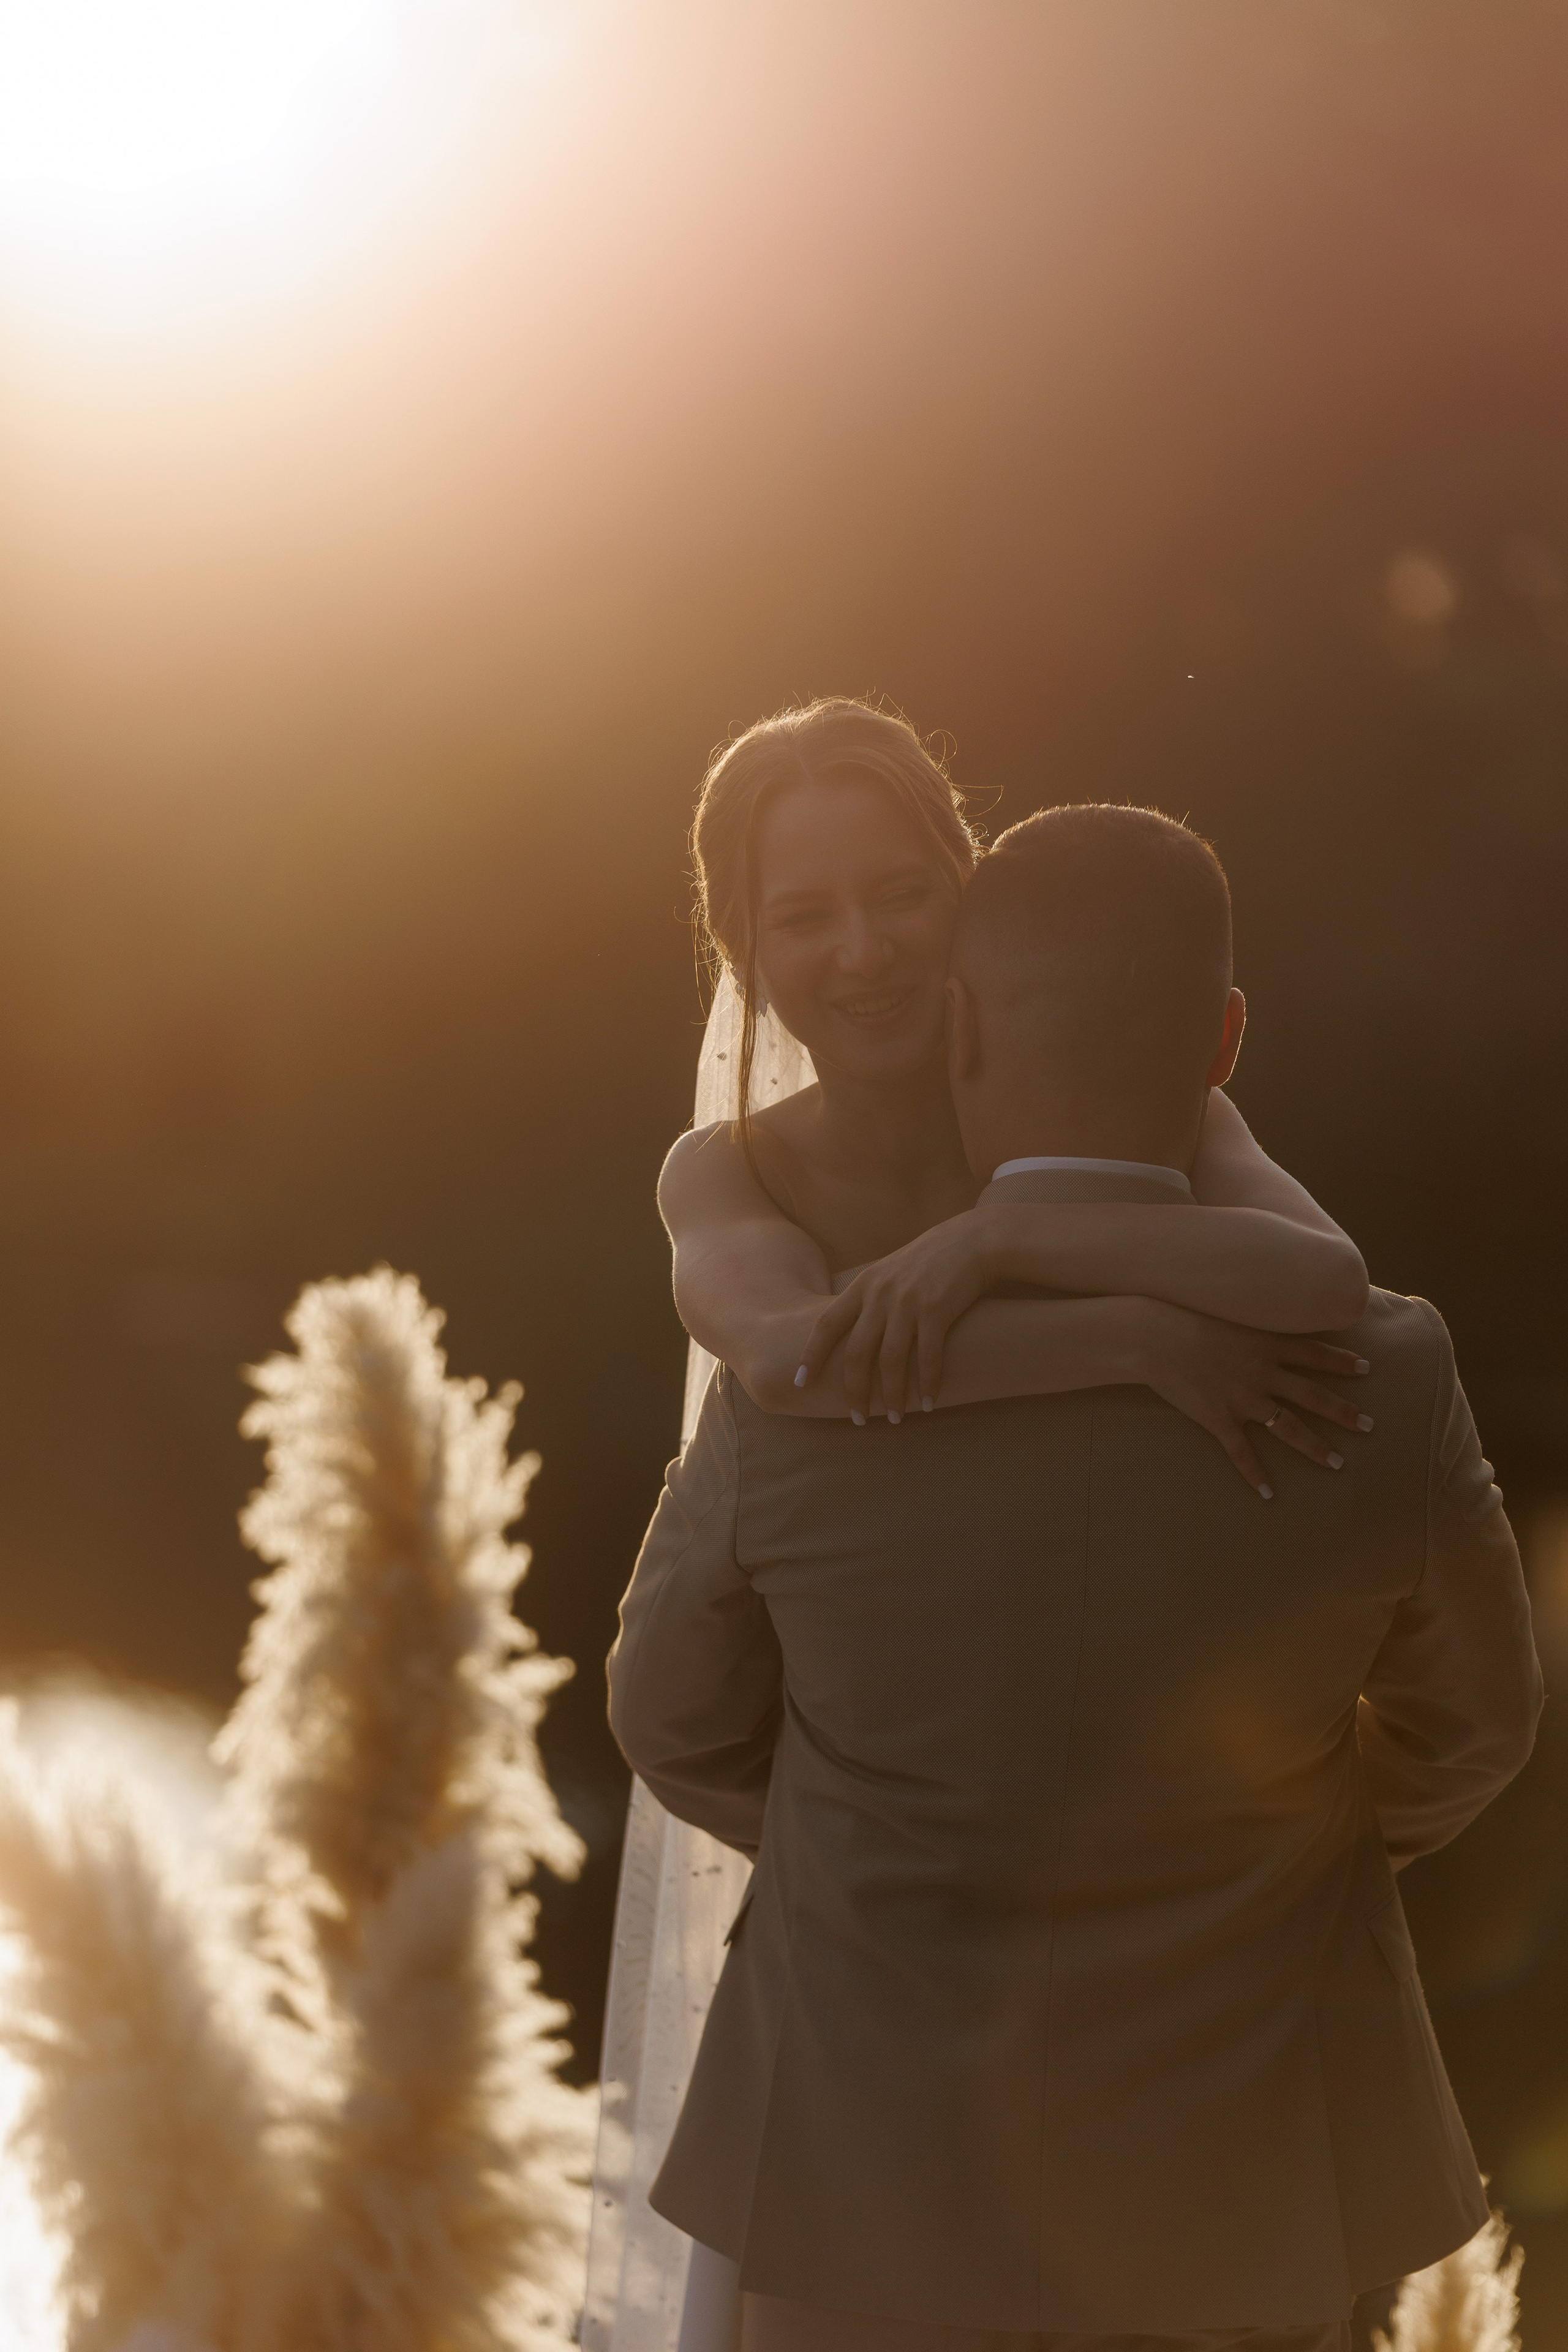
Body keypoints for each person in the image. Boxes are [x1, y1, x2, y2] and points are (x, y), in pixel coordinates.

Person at [607, 801, 1542, 2352]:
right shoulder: (1385, 1372)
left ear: (959, 1019)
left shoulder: (811, 1390)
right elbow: (1476, 1728)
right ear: (1224, 1037)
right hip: (1241, 2179)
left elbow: (670, 1721)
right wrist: (1265, 1851)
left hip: (855, 2168)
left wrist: (875, 1846)